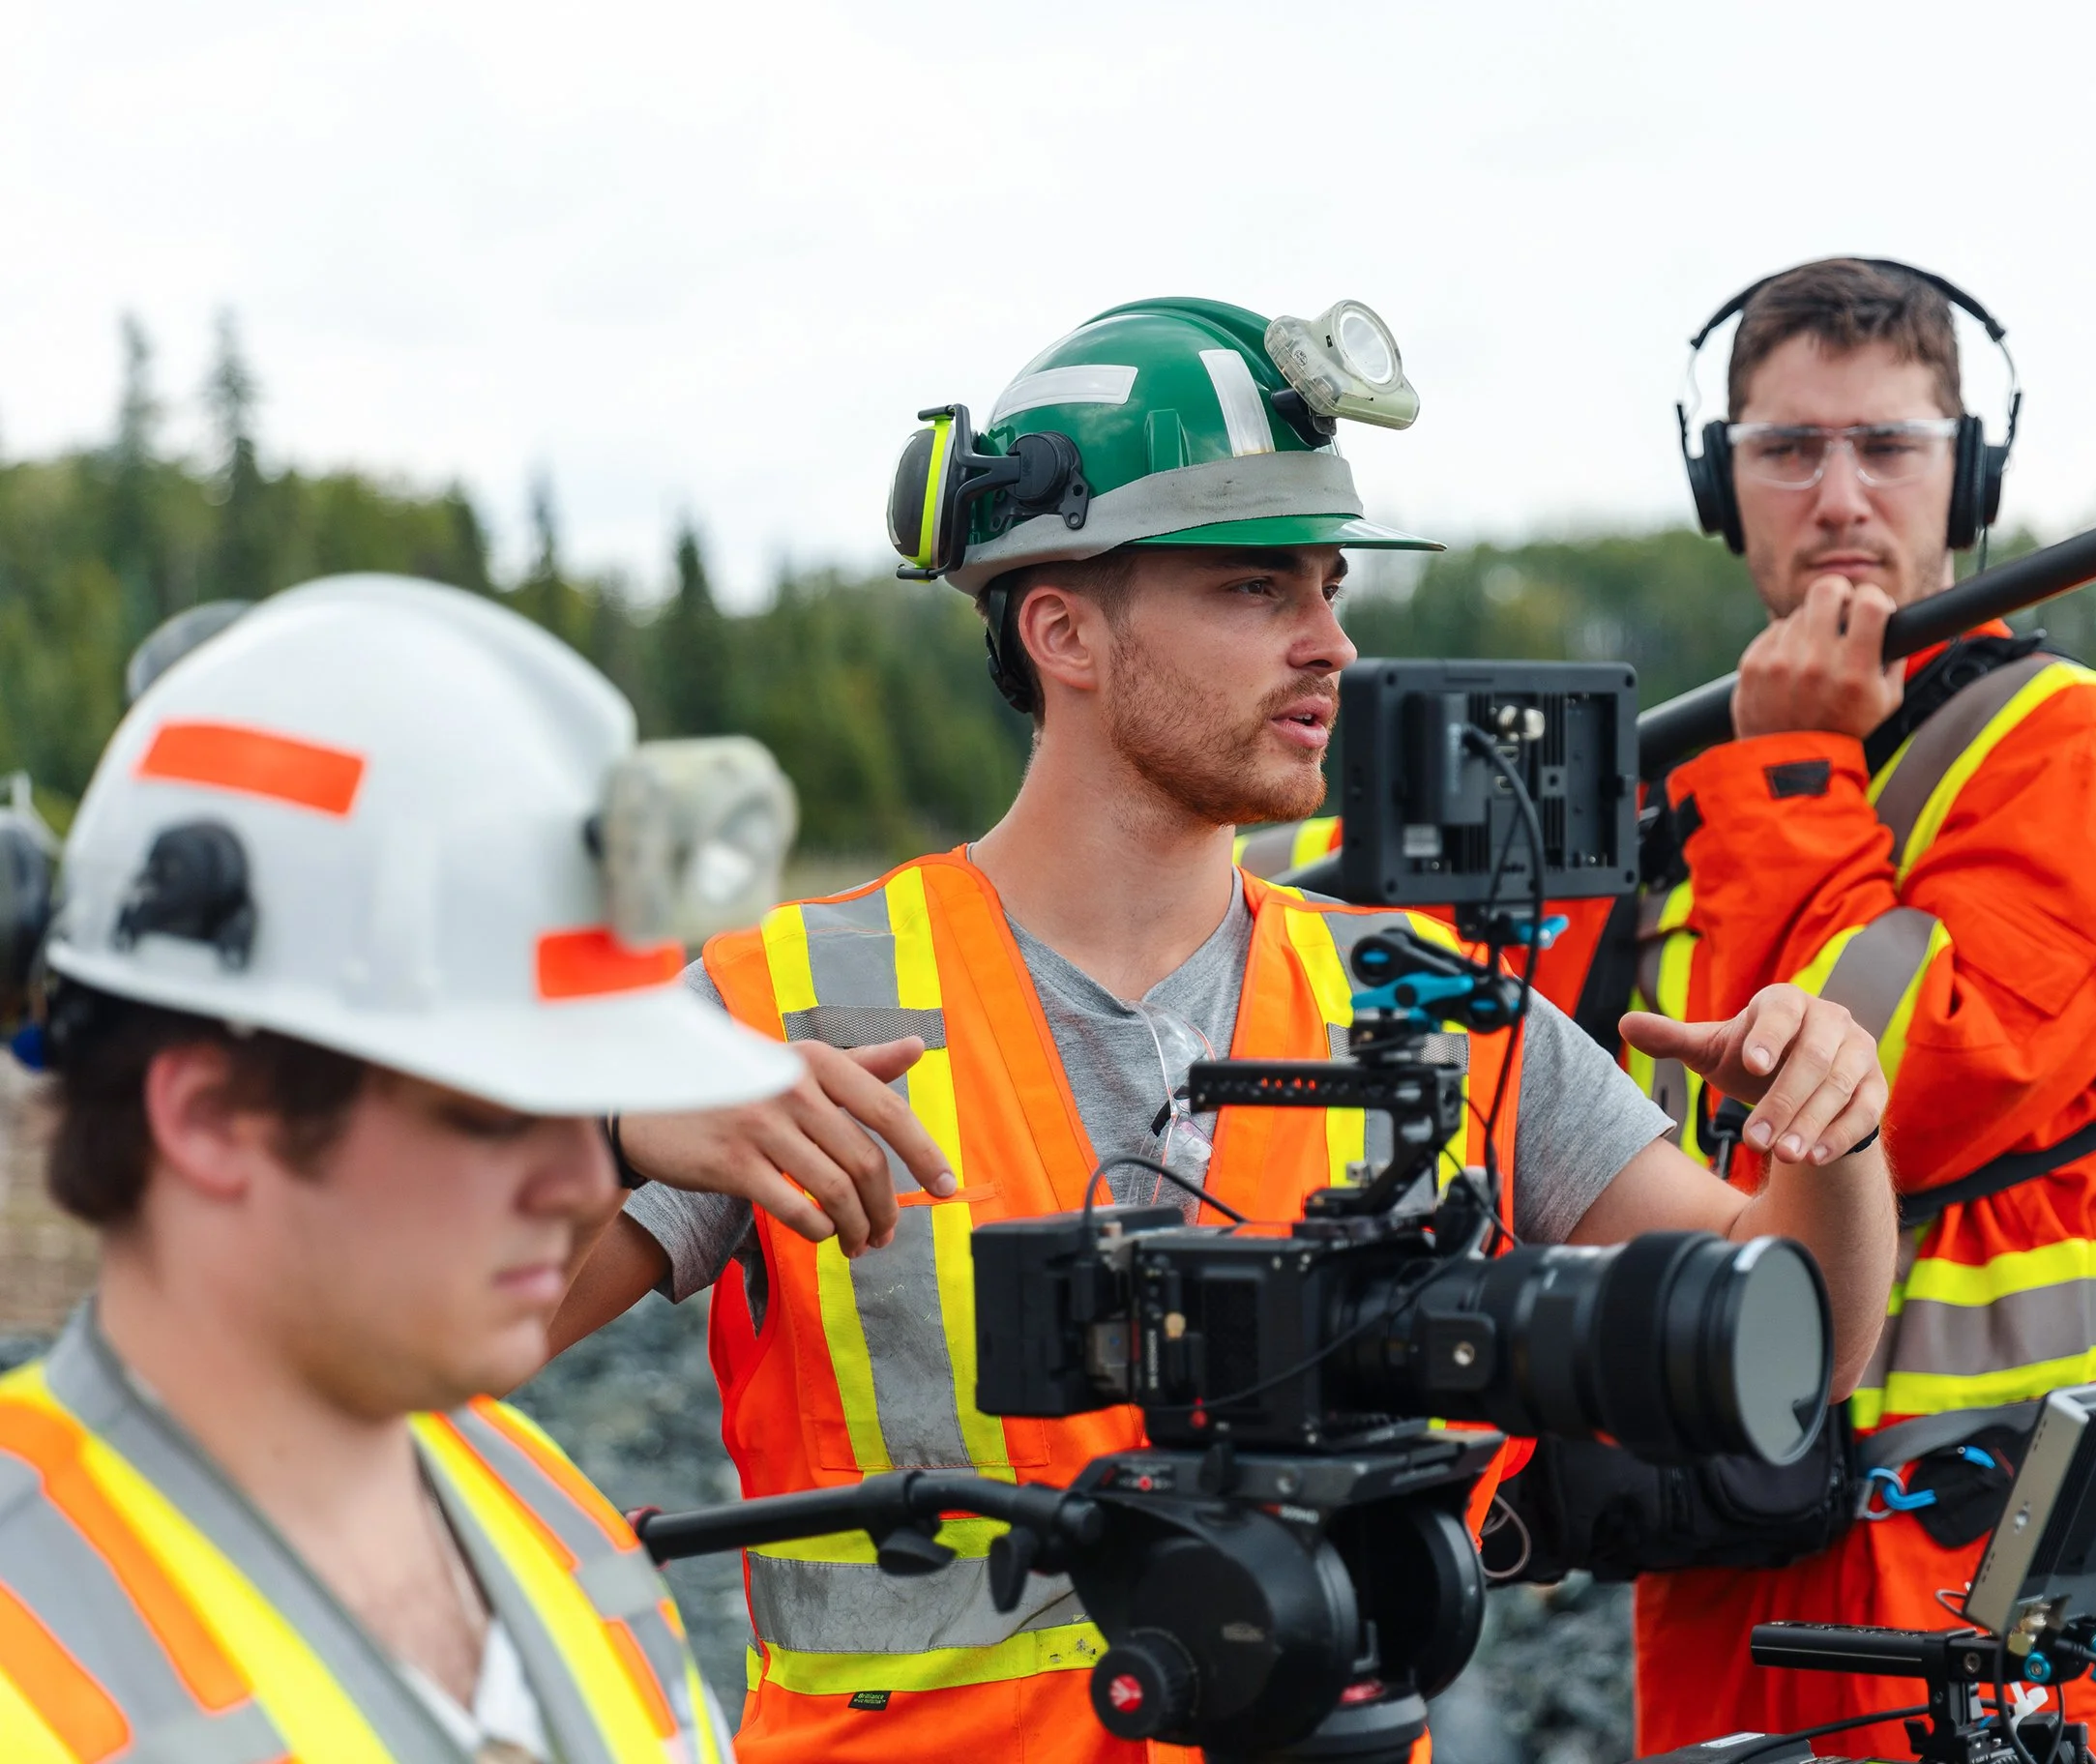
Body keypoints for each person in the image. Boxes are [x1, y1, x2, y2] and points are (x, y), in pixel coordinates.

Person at [552, 296, 1900, 1764]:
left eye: (1328, 587)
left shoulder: (1431, 1000)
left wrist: (1832, 1127)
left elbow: (1801, 1347)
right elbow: (429, 1336)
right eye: (1257, 589)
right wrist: (610, 1131)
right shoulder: (779, 1007)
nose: (1332, 642)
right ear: (1062, 627)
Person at [0, 574, 820, 1763]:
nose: (587, 1182)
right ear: (215, 1116)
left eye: (588, 1099)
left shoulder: (547, 1512)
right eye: (490, 1116)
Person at [1628, 259, 2096, 1760]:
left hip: (2013, 1600)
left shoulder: (2073, 748)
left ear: (1972, 472)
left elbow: (1898, 1082)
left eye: (1888, 444)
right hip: (1727, 1586)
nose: (1839, 496)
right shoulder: (1669, 793)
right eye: (1786, 449)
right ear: (1726, 485)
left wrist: (1789, 773)